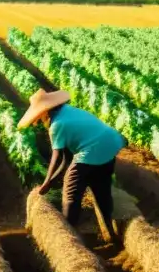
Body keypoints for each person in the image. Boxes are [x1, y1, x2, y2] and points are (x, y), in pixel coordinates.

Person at [18, 88, 125, 240]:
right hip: (110, 145)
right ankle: (111, 232)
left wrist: (47, 182)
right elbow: (67, 158)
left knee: (71, 192)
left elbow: (59, 159)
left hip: (91, 151)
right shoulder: (68, 110)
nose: (39, 120)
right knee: (101, 189)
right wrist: (52, 180)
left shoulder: (57, 125)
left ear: (45, 111)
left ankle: (69, 236)